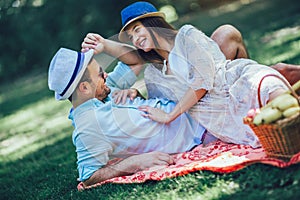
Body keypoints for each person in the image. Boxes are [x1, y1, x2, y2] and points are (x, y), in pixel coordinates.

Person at [81, 1, 294, 148]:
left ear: (152, 24)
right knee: (277, 120)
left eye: (137, 30)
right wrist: (137, 95)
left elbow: (202, 82)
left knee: (276, 94)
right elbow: (162, 104)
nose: (135, 38)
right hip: (216, 114)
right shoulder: (155, 73)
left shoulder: (187, 36)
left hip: (236, 83)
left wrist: (169, 116)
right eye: (130, 35)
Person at [48, 47, 216, 187]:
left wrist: (105, 45)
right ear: (84, 88)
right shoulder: (89, 128)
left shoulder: (106, 89)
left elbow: (136, 59)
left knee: (223, 42)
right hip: (204, 130)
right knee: (226, 39)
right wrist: (135, 162)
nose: (106, 75)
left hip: (196, 106)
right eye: (100, 74)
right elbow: (88, 176)